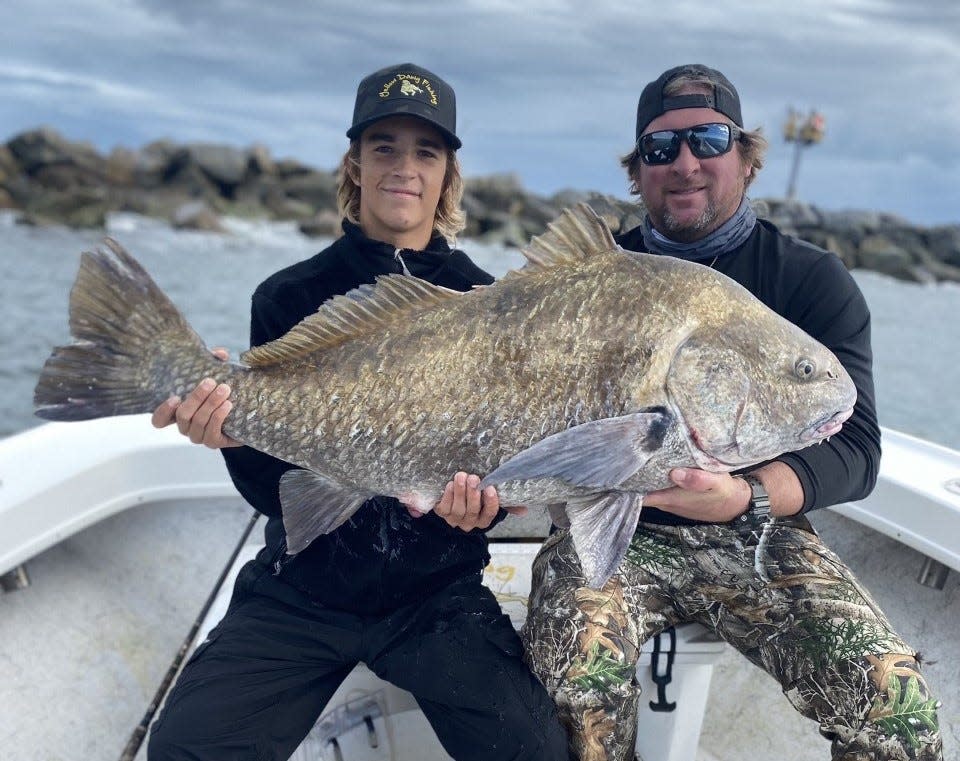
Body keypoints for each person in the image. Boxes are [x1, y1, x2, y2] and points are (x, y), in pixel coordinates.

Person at [147, 62, 570, 761]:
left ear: (447, 174)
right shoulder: (287, 295)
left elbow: (502, 452)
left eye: (425, 151)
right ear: (355, 163)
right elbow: (272, 491)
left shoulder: (491, 303)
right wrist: (226, 435)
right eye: (384, 148)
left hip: (436, 598)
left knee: (535, 750)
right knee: (184, 748)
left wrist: (483, 509)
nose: (403, 167)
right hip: (301, 589)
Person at [522, 64, 943, 760]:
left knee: (897, 714)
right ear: (638, 172)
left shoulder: (809, 279)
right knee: (571, 682)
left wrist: (742, 496)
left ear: (746, 160)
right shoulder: (580, 285)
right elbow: (524, 408)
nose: (684, 163)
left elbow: (858, 447)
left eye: (708, 139)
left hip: (759, 534)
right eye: (660, 149)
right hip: (613, 527)